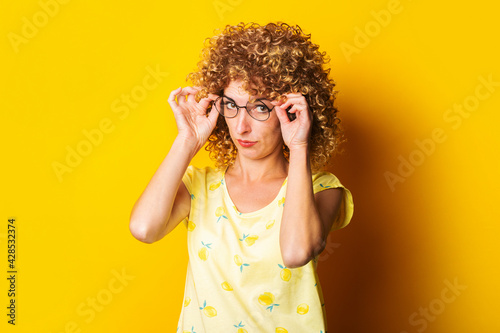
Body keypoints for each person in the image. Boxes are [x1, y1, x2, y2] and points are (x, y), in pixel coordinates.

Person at [129, 22, 354, 332]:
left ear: (291, 110)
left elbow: (295, 252)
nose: (241, 126)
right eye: (232, 105)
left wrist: (299, 144)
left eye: (260, 107)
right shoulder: (200, 187)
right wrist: (187, 141)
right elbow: (143, 229)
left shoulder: (323, 189)